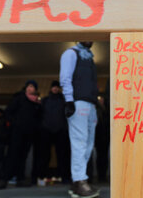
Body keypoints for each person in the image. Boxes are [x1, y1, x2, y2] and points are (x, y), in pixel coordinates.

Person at [60, 42, 100, 197]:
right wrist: (69, 100)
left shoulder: (89, 57)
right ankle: (80, 180)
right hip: (78, 102)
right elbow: (65, 77)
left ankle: (78, 180)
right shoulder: (70, 53)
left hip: (91, 104)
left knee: (88, 143)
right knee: (79, 142)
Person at [0, 80, 44, 190]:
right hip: (17, 133)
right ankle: (4, 180)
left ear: (35, 89)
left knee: (23, 156)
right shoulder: (19, 99)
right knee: (12, 155)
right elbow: (8, 112)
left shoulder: (37, 102)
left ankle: (20, 179)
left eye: (32, 87)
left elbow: (39, 117)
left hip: (29, 133)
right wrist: (15, 124)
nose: (30, 88)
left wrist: (36, 127)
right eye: (28, 86)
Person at [40, 80, 71, 185]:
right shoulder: (45, 100)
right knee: (44, 155)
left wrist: (64, 128)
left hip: (60, 131)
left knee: (63, 155)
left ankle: (65, 177)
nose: (55, 88)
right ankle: (42, 176)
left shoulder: (64, 100)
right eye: (54, 87)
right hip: (46, 131)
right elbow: (40, 114)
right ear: (51, 88)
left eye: (57, 87)